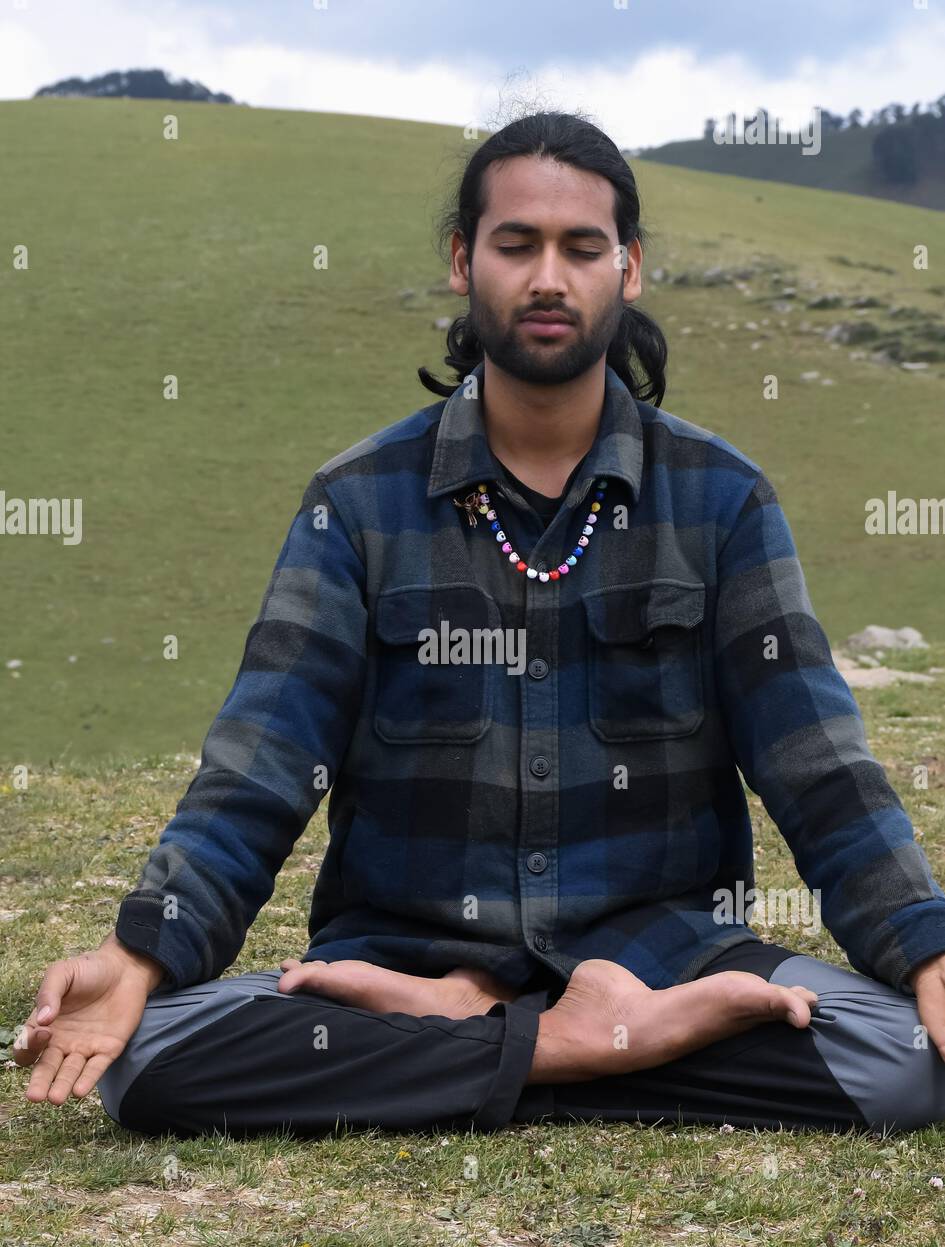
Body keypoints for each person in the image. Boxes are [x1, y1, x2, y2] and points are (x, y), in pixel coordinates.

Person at [14, 111, 945, 1139]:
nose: (549, 276)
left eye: (582, 248)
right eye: (516, 244)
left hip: (672, 958)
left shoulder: (722, 501)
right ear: (465, 261)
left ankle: (495, 1047)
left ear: (628, 270)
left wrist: (927, 951)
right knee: (145, 1060)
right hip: (404, 963)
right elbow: (260, 767)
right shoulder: (356, 504)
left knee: (904, 1060)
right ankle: (585, 1047)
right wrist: (144, 952)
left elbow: (820, 768)